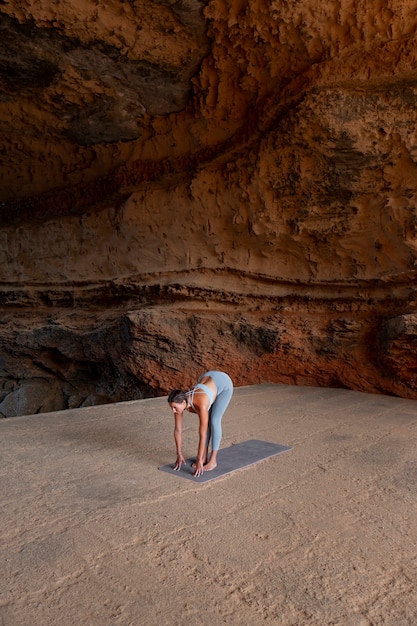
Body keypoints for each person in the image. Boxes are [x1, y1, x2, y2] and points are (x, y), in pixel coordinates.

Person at [167, 370, 233, 477]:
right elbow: (177, 430)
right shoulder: (179, 401)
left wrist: (198, 460)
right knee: (206, 423)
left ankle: (212, 460)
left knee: (214, 420)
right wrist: (179, 454)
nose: (173, 411)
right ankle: (204, 457)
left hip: (224, 383)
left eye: (175, 408)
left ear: (184, 403)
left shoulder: (201, 404)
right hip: (206, 377)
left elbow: (203, 434)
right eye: (172, 408)